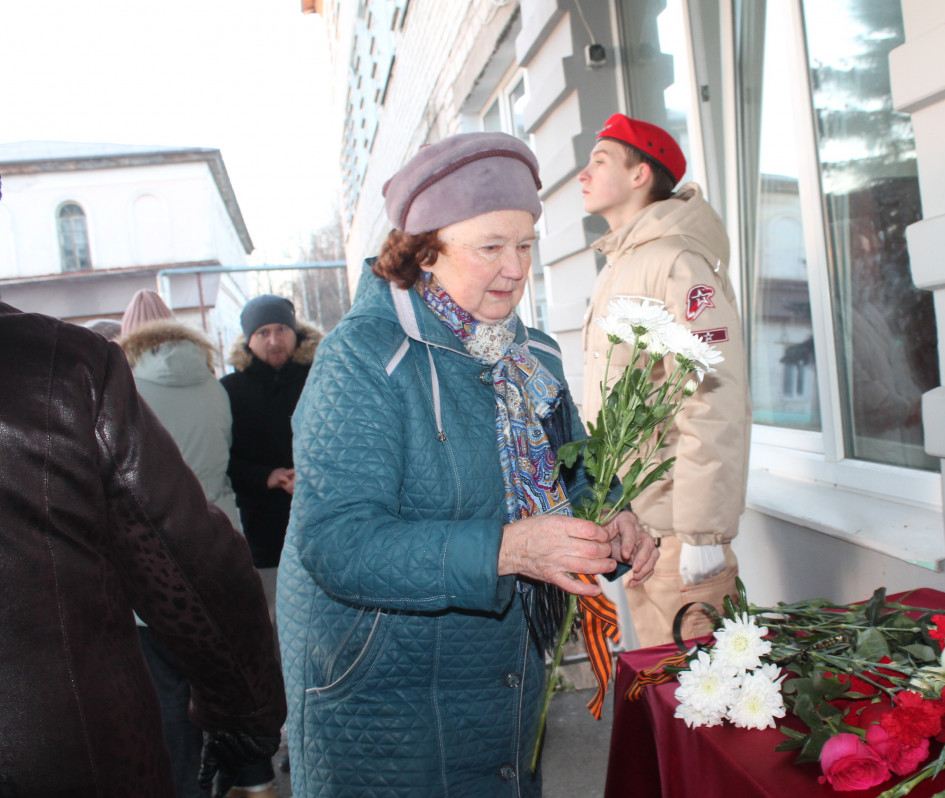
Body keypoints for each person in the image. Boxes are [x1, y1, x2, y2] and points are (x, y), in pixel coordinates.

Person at [277, 131, 659, 797]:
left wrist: (613, 514)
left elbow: (573, 468)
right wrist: (508, 550)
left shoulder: (529, 352)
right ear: (425, 251)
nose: (516, 268)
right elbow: (336, 543)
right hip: (385, 698)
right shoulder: (364, 356)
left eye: (526, 245)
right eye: (490, 246)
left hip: (505, 686)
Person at [0, 300, 286, 796]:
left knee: (171, 705)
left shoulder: (81, 369)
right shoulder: (62, 364)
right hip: (66, 742)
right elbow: (184, 549)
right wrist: (249, 712)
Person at [577, 113, 752, 648]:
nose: (583, 173)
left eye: (599, 161)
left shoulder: (674, 262)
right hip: (640, 529)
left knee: (705, 698)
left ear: (639, 175)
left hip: (680, 537)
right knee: (664, 696)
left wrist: (704, 533)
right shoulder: (623, 264)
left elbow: (711, 396)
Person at [118, 287, 242, 798]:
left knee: (169, 692)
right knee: (222, 681)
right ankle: (242, 780)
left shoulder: (124, 389)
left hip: (155, 561)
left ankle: (187, 789)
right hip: (218, 549)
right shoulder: (214, 385)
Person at [220, 293, 319, 796]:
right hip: (263, 536)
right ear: (249, 339)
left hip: (321, 526)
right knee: (274, 641)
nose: (274, 340)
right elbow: (227, 461)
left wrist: (313, 472)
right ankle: (279, 738)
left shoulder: (317, 377)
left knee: (316, 639)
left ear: (295, 333)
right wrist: (269, 476)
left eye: (281, 329)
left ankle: (312, 736)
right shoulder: (230, 389)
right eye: (263, 333)